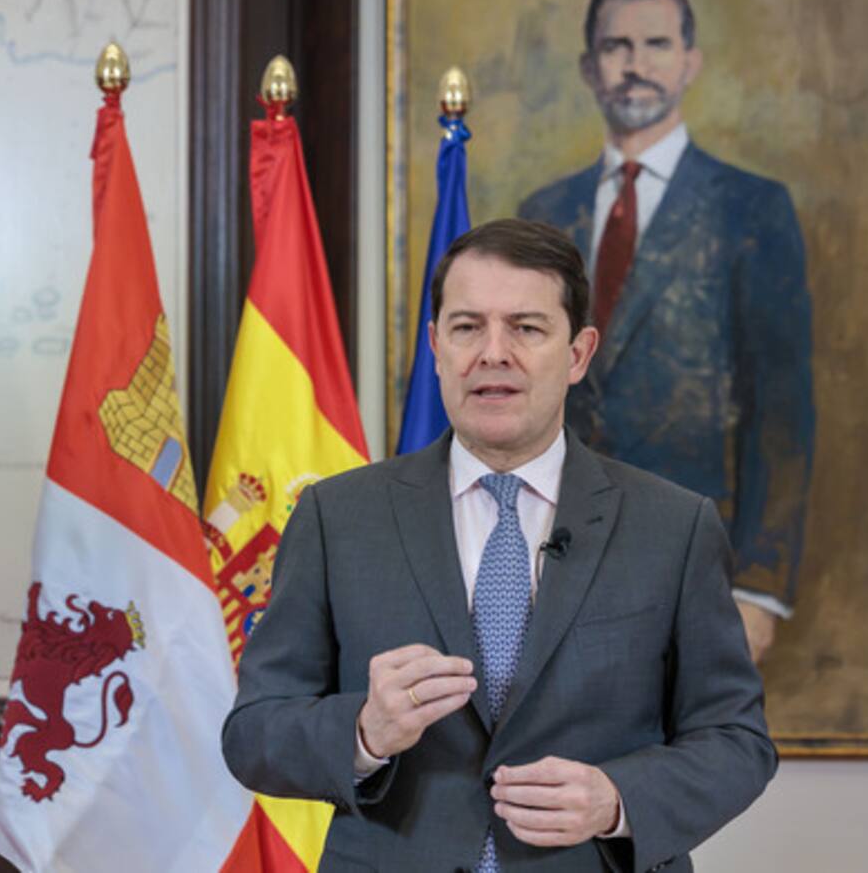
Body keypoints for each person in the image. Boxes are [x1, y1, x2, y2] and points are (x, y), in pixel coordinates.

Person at [223, 219, 776, 873]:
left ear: (578, 354)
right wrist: (365, 731)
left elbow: (736, 740)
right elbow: (253, 733)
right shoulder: (335, 517)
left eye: (526, 328)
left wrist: (616, 800)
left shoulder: (674, 526)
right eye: (467, 327)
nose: (493, 353)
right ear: (436, 347)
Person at [518, 0, 815, 663]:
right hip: (550, 554)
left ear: (690, 62)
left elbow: (782, 409)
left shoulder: (751, 208)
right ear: (589, 67)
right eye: (615, 46)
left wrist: (761, 585)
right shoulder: (544, 211)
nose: (635, 63)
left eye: (655, 44)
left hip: (698, 556)